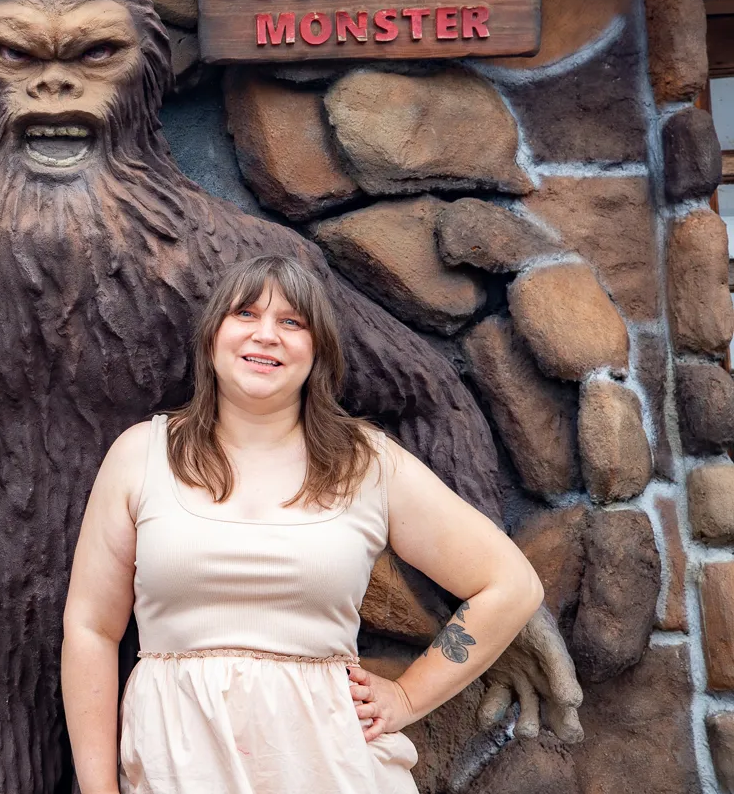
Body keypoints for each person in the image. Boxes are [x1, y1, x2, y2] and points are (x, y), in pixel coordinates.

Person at [62, 254, 546, 794]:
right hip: (177, 764)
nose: (266, 335)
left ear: (317, 351)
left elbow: (511, 584)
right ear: (210, 337)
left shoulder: (366, 463)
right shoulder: (142, 455)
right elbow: (91, 631)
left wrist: (407, 697)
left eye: (292, 322)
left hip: (328, 765)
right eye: (245, 314)